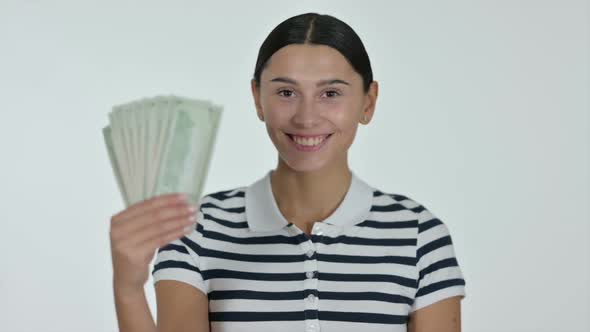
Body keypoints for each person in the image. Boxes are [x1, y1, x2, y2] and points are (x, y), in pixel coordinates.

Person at [110, 12, 466, 332]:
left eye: (330, 93)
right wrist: (128, 289)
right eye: (285, 92)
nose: (307, 117)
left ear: (368, 102)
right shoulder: (195, 230)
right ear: (256, 98)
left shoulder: (420, 236)